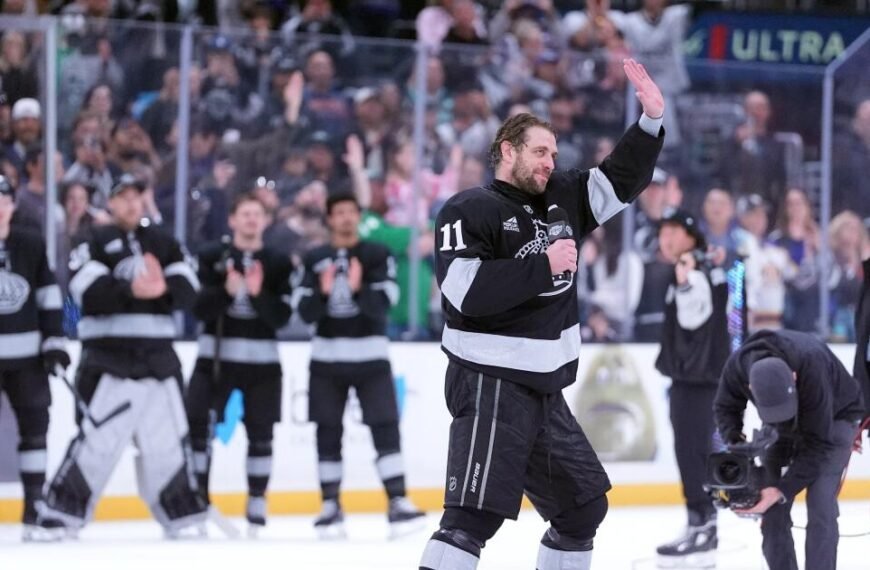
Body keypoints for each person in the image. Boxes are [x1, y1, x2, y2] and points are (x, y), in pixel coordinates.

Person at [419, 58, 664, 570]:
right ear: (507, 151)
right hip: (489, 378)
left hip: (544, 386)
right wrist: (541, 265)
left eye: (553, 152)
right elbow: (464, 294)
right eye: (539, 151)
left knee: (581, 509)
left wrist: (650, 121)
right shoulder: (467, 209)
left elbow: (618, 180)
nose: (551, 161)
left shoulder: (561, 198)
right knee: (469, 520)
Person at [40, 174, 207, 537]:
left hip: (159, 362)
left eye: (137, 195)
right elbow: (85, 291)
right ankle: (62, 514)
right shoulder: (92, 239)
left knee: (166, 443)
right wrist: (135, 288)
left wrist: (159, 290)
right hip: (107, 360)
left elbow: (190, 289)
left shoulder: (163, 241)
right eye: (123, 196)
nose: (131, 203)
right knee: (96, 442)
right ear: (110, 202)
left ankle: (181, 515)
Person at [292, 193, 425, 537]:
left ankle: (397, 502)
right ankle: (330, 505)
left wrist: (356, 288)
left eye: (352, 212)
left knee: (384, 426)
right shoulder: (314, 258)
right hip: (326, 360)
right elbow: (304, 312)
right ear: (329, 218)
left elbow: (385, 304)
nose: (347, 218)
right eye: (339, 213)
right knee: (328, 431)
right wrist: (323, 295)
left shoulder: (376, 254)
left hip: (371, 358)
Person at [185, 192, 293, 534]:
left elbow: (282, 318)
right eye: (244, 213)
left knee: (261, 434)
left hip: (262, 364)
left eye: (256, 214)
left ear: (265, 220)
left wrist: (259, 295)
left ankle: (257, 501)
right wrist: (226, 293)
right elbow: (197, 308)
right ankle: (198, 499)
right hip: (214, 360)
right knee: (199, 430)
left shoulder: (278, 261)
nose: (250, 219)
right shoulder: (211, 256)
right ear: (232, 220)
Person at [714, 330, 864, 570]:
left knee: (820, 504)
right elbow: (724, 407)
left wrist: (781, 489)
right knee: (772, 510)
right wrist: (736, 445)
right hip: (779, 429)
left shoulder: (812, 364)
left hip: (834, 420)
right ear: (751, 387)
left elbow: (819, 445)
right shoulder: (737, 367)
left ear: (793, 377)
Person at [652, 208, 730, 565]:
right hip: (695, 379)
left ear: (689, 235)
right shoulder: (699, 265)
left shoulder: (692, 270)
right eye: (662, 232)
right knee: (692, 451)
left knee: (693, 452)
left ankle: (704, 524)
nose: (664, 239)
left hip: (697, 381)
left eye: (672, 232)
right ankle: (700, 522)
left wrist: (684, 284)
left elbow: (694, 316)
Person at [0, 175, 69, 540]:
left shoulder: (29, 243)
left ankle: (34, 507)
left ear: (12, 205)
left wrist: (55, 340)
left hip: (26, 360)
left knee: (35, 431)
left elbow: (49, 297)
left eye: (2, 200)